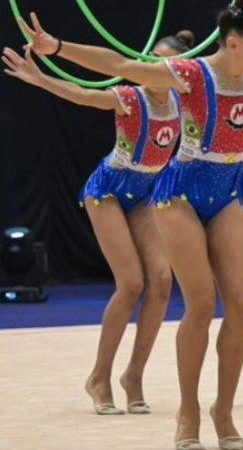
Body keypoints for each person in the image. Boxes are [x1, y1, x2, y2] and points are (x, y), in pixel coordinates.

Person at [16, 0, 243, 450]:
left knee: (241, 305)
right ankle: (188, 412)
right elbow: (118, 65)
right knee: (199, 303)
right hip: (179, 194)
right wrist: (57, 49)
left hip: (228, 192)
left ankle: (223, 411)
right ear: (232, 43)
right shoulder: (192, 75)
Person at [2, 32, 192, 416]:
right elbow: (82, 94)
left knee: (162, 281)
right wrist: (39, 78)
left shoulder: (183, 102)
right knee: (131, 283)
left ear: (176, 72)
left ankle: (133, 376)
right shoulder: (130, 98)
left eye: (160, 63)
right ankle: (99, 377)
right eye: (148, 59)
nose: (149, 67)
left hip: (145, 192)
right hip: (106, 190)